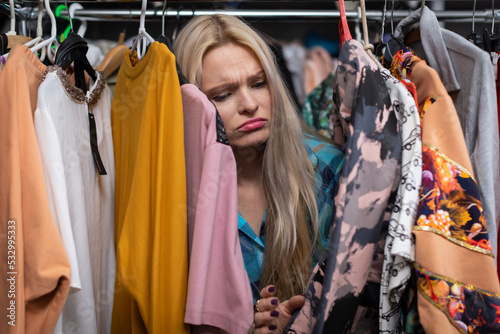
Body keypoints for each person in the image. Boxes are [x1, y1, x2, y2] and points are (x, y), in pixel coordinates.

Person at [174, 14, 344, 333]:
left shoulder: (329, 170)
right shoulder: (174, 192)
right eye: (223, 95)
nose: (249, 105)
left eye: (258, 83)